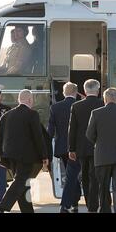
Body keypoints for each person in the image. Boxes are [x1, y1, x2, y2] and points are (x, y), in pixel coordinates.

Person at [0, 89, 48, 213]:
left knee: (23, 184)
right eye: (32, 100)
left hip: (10, 156)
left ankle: (28, 211)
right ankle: (1, 206)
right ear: (29, 100)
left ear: (19, 100)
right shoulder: (32, 114)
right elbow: (38, 137)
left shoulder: (6, 115)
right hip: (26, 156)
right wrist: (44, 156)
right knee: (20, 181)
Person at [86, 87, 116, 213]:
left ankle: (105, 210)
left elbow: (89, 134)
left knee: (103, 188)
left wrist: (100, 143)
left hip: (102, 157)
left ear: (105, 98)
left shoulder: (96, 113)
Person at [68, 79, 104, 213]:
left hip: (82, 147)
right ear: (98, 90)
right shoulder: (103, 104)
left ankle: (90, 204)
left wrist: (71, 148)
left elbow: (72, 129)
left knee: (85, 176)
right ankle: (93, 205)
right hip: (98, 147)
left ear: (84, 91)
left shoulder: (76, 106)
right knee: (95, 176)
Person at [47, 82, 81, 213]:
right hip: (77, 148)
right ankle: (66, 205)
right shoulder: (79, 106)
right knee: (72, 175)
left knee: (71, 174)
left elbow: (50, 130)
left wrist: (47, 148)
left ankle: (74, 203)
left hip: (61, 147)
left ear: (63, 92)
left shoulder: (55, 107)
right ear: (76, 93)